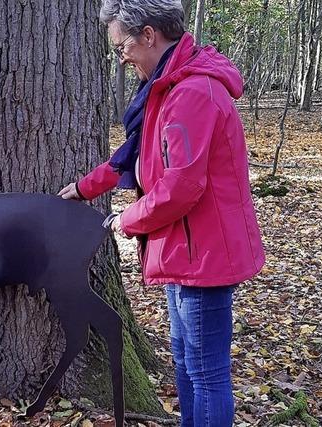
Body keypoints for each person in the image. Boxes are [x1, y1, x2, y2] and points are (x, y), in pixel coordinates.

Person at [58, 1, 265, 425]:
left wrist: (126, 220)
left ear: (149, 35)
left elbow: (181, 187)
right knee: (188, 367)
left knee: (206, 374)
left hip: (202, 255)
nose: (121, 58)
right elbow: (134, 157)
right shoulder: (166, 87)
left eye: (122, 47)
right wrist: (85, 188)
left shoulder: (192, 93)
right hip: (181, 250)